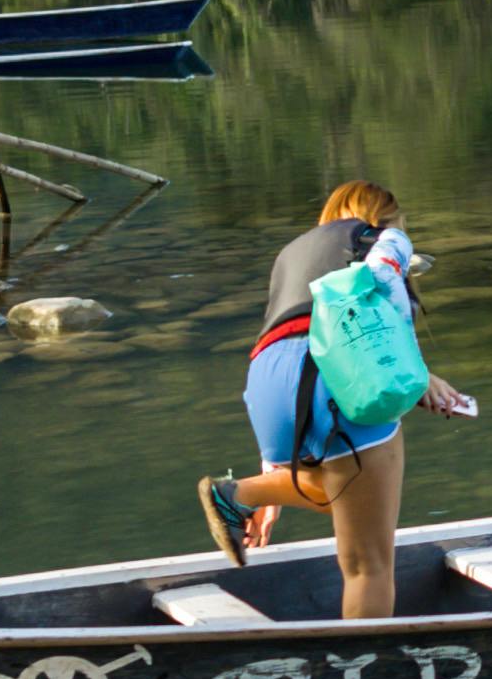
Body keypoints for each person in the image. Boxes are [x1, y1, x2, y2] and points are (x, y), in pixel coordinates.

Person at [201, 178, 475, 619]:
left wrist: (276, 477)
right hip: (340, 373)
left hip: (267, 380)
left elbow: (292, 333)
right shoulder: (386, 237)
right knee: (368, 566)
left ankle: (240, 493)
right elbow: (384, 277)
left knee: (342, 494)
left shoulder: (293, 252)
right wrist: (416, 376)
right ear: (387, 214)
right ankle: (365, 678)